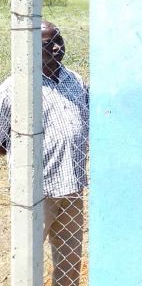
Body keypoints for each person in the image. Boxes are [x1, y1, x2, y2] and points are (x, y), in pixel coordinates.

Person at [0, 20, 89, 286]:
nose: (58, 47)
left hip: (72, 186)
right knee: (29, 259)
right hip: (36, 193)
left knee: (70, 260)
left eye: (59, 40)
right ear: (30, 48)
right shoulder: (14, 88)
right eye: (49, 44)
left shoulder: (74, 79)